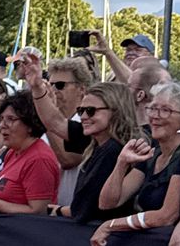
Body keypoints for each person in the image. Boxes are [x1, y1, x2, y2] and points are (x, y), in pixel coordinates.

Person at [93, 80, 180, 246]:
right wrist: (121, 163)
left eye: (165, 110)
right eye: (152, 108)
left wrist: (112, 225)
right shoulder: (153, 154)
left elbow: (167, 216)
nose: (155, 116)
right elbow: (107, 203)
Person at [60, 82, 142, 225]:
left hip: (104, 232)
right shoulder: (98, 147)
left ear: (116, 111)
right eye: (80, 110)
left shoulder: (114, 150)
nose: (83, 116)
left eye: (91, 110)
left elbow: (86, 208)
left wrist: (58, 211)